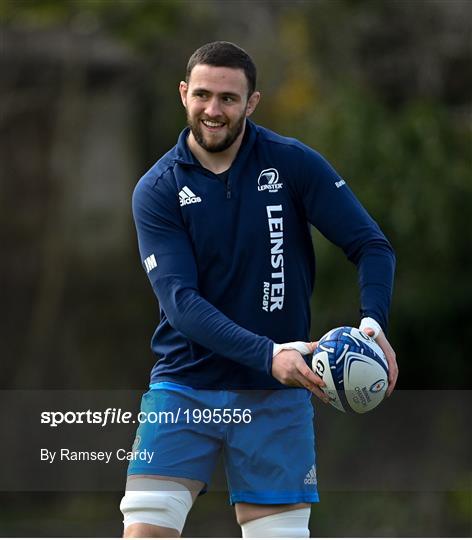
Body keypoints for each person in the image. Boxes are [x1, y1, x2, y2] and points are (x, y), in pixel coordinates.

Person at [120, 41, 397, 538]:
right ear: (183, 94)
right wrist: (269, 353)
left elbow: (372, 246)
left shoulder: (292, 164)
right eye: (202, 95)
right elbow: (181, 305)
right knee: (146, 531)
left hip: (277, 394)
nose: (213, 110)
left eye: (228, 98)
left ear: (251, 102)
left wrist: (373, 326)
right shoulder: (158, 189)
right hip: (185, 386)